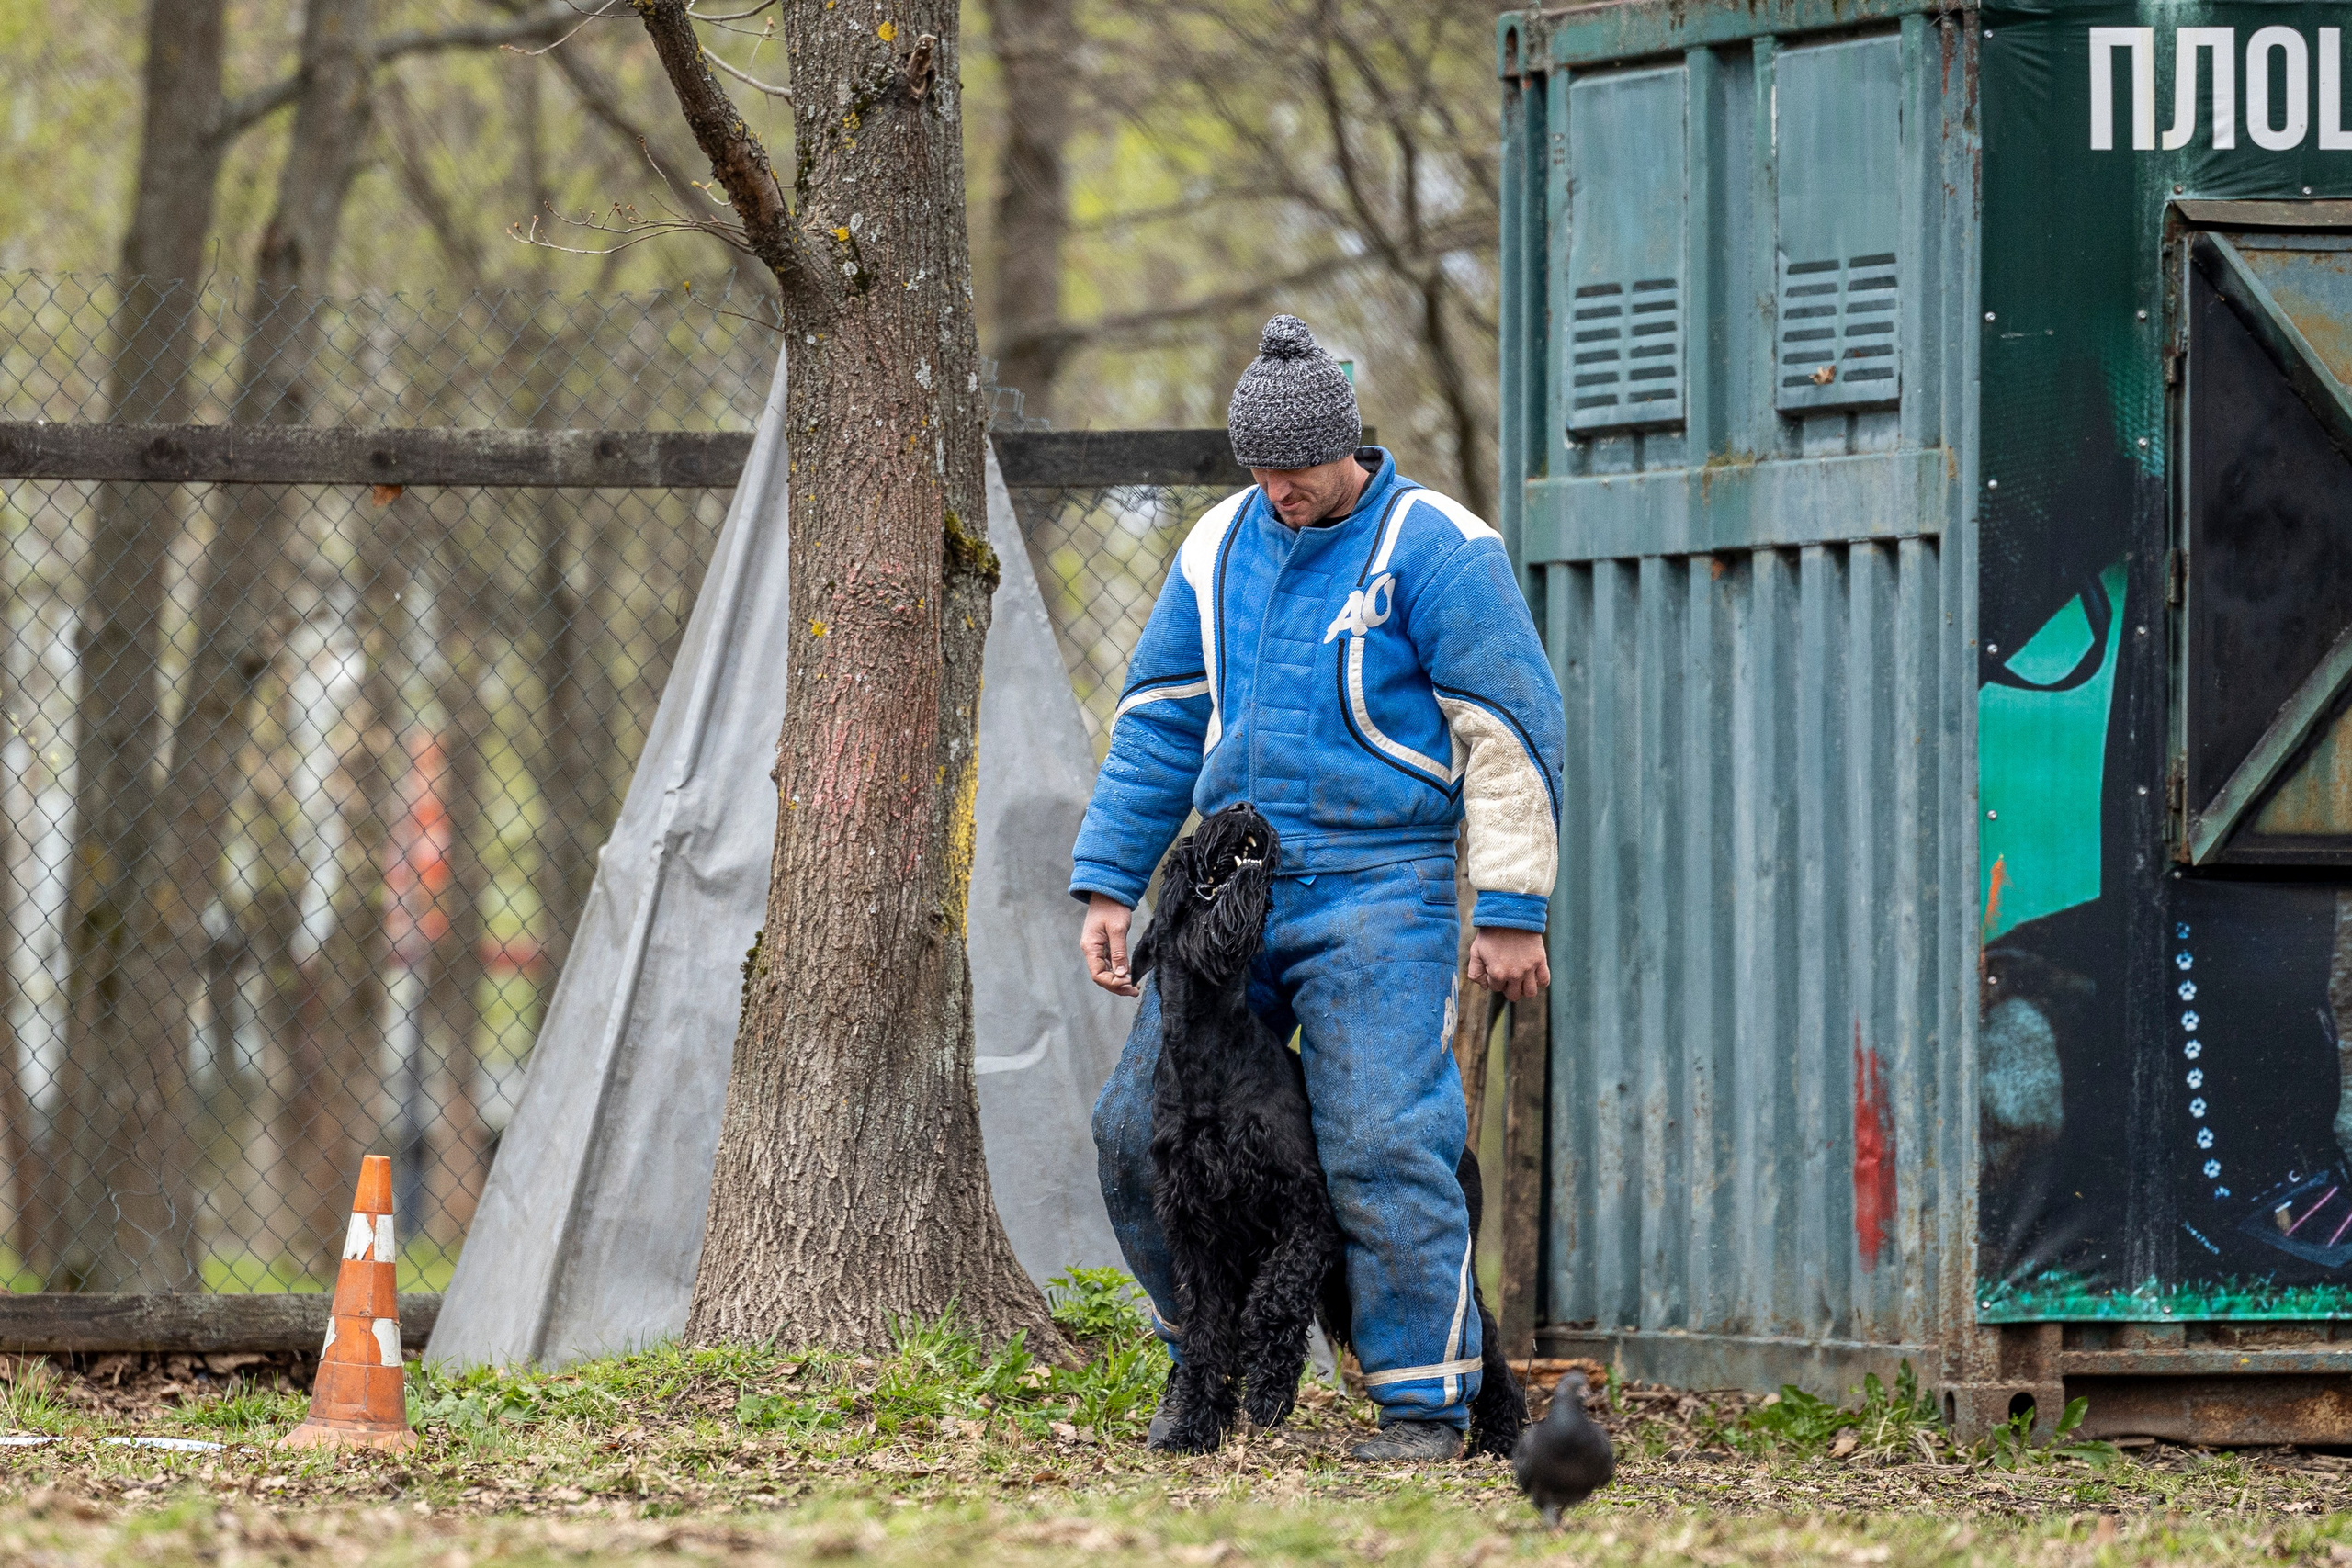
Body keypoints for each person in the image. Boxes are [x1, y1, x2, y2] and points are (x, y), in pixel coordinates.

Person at [1071, 314, 1565, 1462]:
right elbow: (1156, 726)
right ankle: (1219, 1355)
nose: (1274, 491)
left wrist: (1509, 909)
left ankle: (1424, 1401)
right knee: (1125, 1129)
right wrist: (1107, 887)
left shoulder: (1440, 547)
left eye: (1294, 471)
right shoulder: (1215, 546)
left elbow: (1508, 734)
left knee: (1383, 1138)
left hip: (1378, 890)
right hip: (1222, 896)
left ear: (1348, 447)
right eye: (1257, 470)